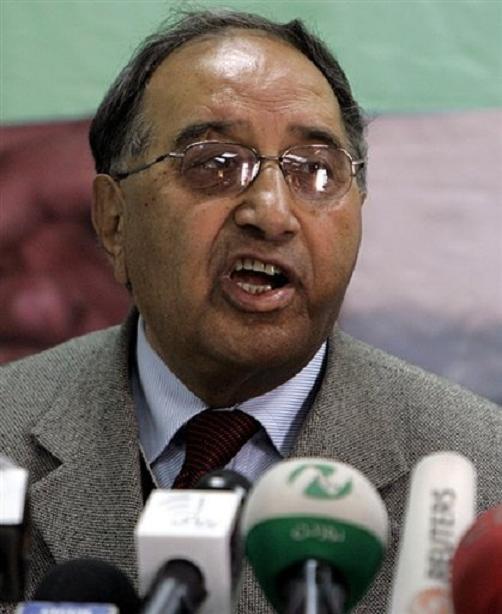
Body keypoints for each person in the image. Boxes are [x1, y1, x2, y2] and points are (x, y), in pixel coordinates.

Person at [1, 9, 500, 613]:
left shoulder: (485, 474)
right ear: (113, 220)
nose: (271, 212)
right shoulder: (8, 431)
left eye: (315, 170)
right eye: (214, 163)